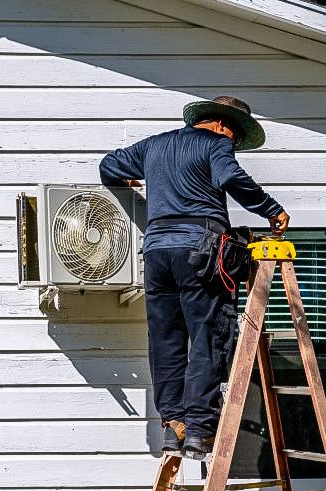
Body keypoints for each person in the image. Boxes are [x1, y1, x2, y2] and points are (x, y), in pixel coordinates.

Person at [99, 96, 290, 456]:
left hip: (156, 253)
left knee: (166, 340)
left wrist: (130, 178)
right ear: (222, 124)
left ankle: (174, 425)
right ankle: (200, 430)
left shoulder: (154, 145)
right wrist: (271, 209)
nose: (232, 144)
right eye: (234, 136)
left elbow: (108, 165)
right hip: (200, 251)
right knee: (207, 336)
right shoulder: (216, 144)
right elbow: (231, 175)